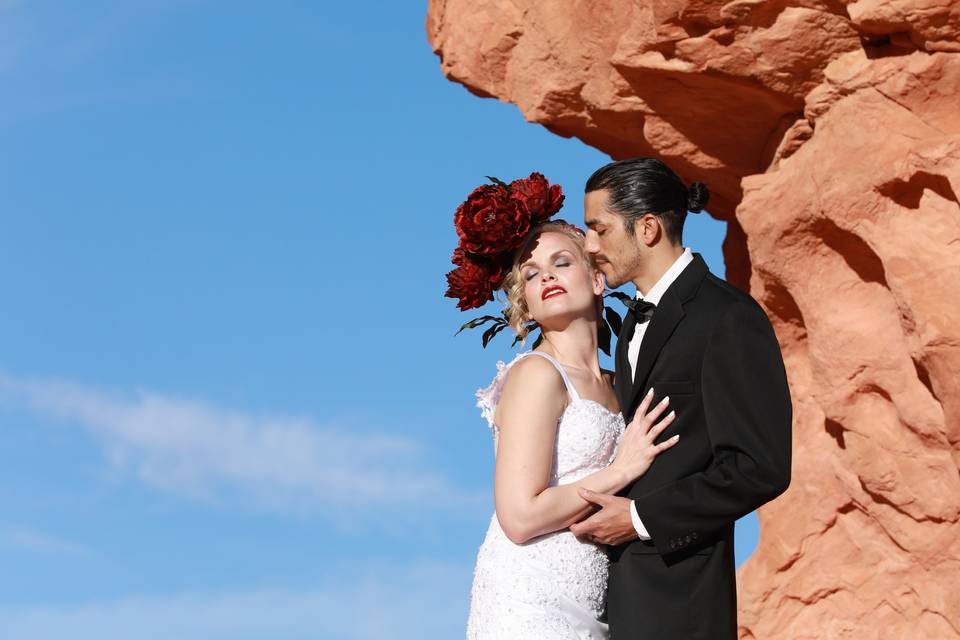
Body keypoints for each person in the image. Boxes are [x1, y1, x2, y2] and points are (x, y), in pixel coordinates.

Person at [570, 157, 793, 639]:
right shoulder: (630, 322)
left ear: (646, 228)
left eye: (599, 230)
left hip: (682, 601)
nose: (589, 247)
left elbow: (760, 467)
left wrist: (640, 518)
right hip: (605, 598)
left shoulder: (727, 316)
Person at [464, 220, 677, 639]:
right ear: (525, 300)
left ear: (598, 279)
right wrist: (621, 470)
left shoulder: (622, 384)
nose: (545, 275)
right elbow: (520, 517)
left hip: (596, 599)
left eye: (561, 262)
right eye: (531, 273)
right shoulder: (537, 374)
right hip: (528, 599)